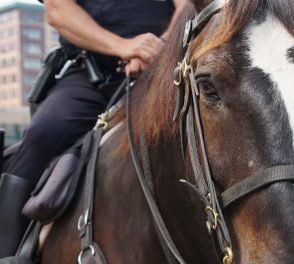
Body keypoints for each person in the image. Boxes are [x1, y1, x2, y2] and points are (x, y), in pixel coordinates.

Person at [0, 0, 186, 257]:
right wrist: (124, 46)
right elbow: (58, 11)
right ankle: (8, 253)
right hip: (91, 75)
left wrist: (161, 48)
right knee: (41, 134)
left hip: (165, 67)